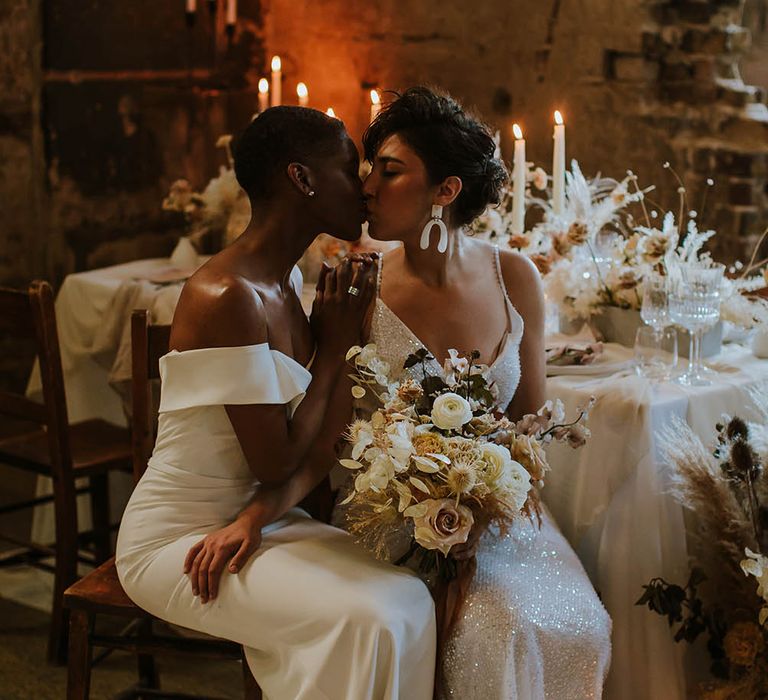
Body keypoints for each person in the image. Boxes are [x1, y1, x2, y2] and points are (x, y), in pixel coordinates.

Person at [115, 106, 436, 700]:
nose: (365, 186)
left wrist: (347, 342)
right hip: (179, 540)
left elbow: (323, 437)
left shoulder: (287, 282)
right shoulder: (226, 295)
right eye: (349, 168)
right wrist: (336, 346)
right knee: (363, 618)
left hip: (260, 519)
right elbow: (276, 460)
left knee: (408, 598)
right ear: (303, 179)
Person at [338, 86, 612, 699]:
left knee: (582, 623)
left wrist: (481, 510)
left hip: (499, 521)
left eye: (390, 170)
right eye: (368, 168)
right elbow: (333, 430)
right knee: (492, 627)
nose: (368, 185)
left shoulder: (513, 276)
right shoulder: (360, 284)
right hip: (387, 519)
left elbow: (529, 428)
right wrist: (428, 513)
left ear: (446, 190)